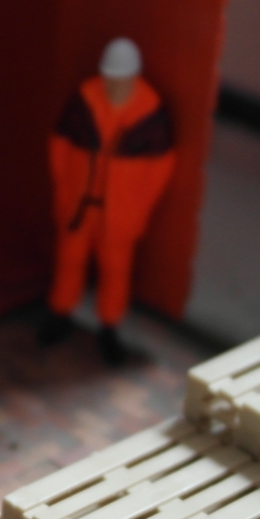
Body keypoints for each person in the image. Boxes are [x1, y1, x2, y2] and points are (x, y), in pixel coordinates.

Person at [39, 37, 176, 365]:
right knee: (69, 259)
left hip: (120, 214)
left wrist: (138, 210)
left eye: (120, 79)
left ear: (133, 77)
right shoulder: (85, 100)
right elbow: (59, 146)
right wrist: (64, 189)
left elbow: (159, 171)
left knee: (116, 270)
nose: (113, 85)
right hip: (79, 204)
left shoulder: (150, 114)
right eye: (109, 78)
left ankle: (109, 327)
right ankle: (61, 313)